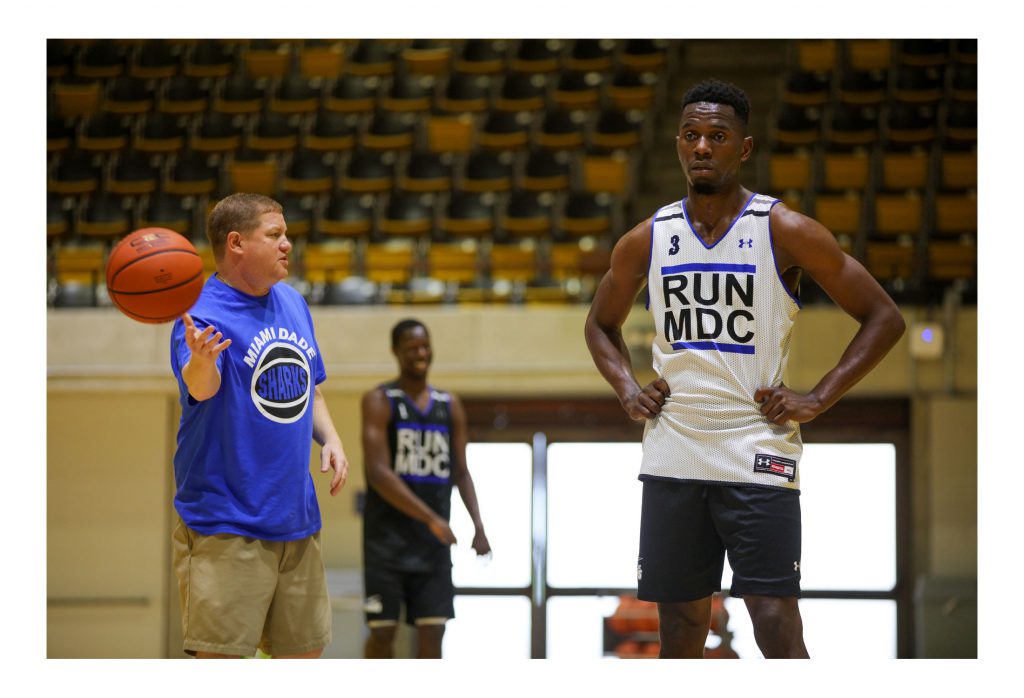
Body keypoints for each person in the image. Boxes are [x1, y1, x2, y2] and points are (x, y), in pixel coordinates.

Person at [584, 79, 906, 659]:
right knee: (680, 625)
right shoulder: (649, 238)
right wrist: (628, 390)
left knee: (774, 618)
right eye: (691, 135)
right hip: (673, 447)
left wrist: (819, 397)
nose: (702, 146)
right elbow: (598, 324)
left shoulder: (783, 229)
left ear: (744, 148)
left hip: (758, 444)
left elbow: (884, 317)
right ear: (678, 145)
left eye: (717, 136)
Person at [169, 192, 350, 659]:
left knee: (303, 657)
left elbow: (309, 384)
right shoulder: (200, 311)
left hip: (296, 520)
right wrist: (202, 361)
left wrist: (330, 438)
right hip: (227, 524)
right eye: (275, 235)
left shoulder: (292, 302)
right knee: (222, 662)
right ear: (237, 243)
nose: (288, 244)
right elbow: (200, 389)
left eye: (285, 234)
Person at [360, 319, 491, 658]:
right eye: (411, 347)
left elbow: (461, 472)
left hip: (431, 549)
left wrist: (478, 526)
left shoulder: (449, 405)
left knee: (433, 633)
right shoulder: (380, 399)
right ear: (396, 351)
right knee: (382, 633)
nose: (420, 353)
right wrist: (432, 517)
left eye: (425, 346)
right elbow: (378, 473)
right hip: (385, 545)